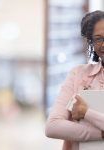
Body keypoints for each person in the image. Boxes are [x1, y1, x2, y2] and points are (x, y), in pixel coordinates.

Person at [45, 10, 104, 150]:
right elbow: (52, 126)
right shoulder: (78, 74)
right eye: (98, 38)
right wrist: (100, 133)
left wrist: (86, 113)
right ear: (91, 42)